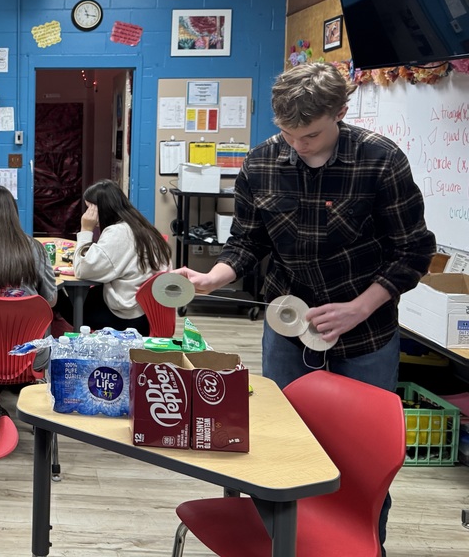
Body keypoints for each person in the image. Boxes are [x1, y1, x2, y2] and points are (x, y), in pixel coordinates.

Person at [174, 62, 435, 551]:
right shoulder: (261, 163)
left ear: (340, 112)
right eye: (288, 134)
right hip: (288, 327)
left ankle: (362, 544)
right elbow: (247, 244)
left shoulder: (380, 161)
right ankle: (281, 543)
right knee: (281, 441)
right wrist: (213, 277)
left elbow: (414, 252)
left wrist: (358, 308)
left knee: (362, 457)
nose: (298, 145)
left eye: (310, 134)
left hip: (366, 333)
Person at [59, 179, 171, 334]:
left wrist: (85, 229)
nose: (87, 214)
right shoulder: (141, 225)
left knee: (56, 296)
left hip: (128, 316)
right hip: (148, 309)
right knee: (87, 294)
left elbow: (82, 270)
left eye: (89, 208)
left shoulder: (118, 233)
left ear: (100, 209)